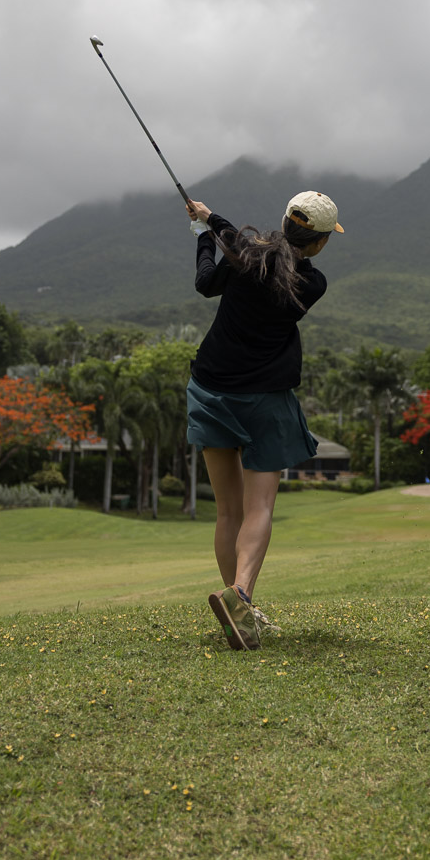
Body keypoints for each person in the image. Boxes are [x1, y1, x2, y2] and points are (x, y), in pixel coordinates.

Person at [183, 188, 343, 650]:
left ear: (285, 220)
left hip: (211, 389)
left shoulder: (244, 258)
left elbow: (207, 280)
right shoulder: (312, 284)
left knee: (228, 510)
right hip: (264, 400)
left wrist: (203, 232)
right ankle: (241, 595)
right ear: (320, 243)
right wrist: (214, 221)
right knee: (259, 508)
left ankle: (241, 609)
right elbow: (258, 252)